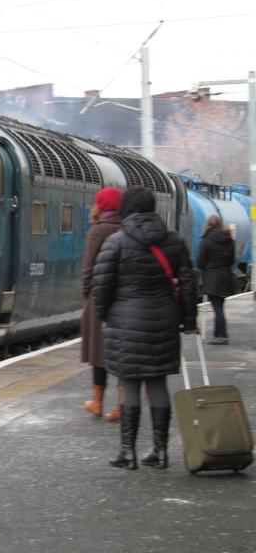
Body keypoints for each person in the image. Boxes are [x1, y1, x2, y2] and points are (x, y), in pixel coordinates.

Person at [92, 186, 197, 470]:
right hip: (163, 321)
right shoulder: (174, 242)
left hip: (125, 322)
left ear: (127, 209)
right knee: (158, 383)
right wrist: (189, 322)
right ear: (153, 208)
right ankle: (160, 452)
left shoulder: (116, 242)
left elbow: (101, 286)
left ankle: (128, 452)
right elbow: (188, 284)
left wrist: (103, 316)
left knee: (130, 384)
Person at [80, 187, 123, 421]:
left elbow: (88, 268)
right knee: (121, 353)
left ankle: (97, 402)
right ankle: (119, 406)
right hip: (125, 299)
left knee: (99, 354)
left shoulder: (98, 231)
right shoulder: (127, 228)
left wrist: (88, 294)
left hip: (100, 299)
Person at [197, 214, 235, 345]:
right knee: (219, 306)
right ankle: (218, 333)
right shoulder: (228, 239)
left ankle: (221, 335)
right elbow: (231, 259)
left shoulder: (206, 240)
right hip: (225, 275)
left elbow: (200, 261)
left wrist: (205, 268)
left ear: (208, 225)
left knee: (217, 307)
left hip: (212, 277)